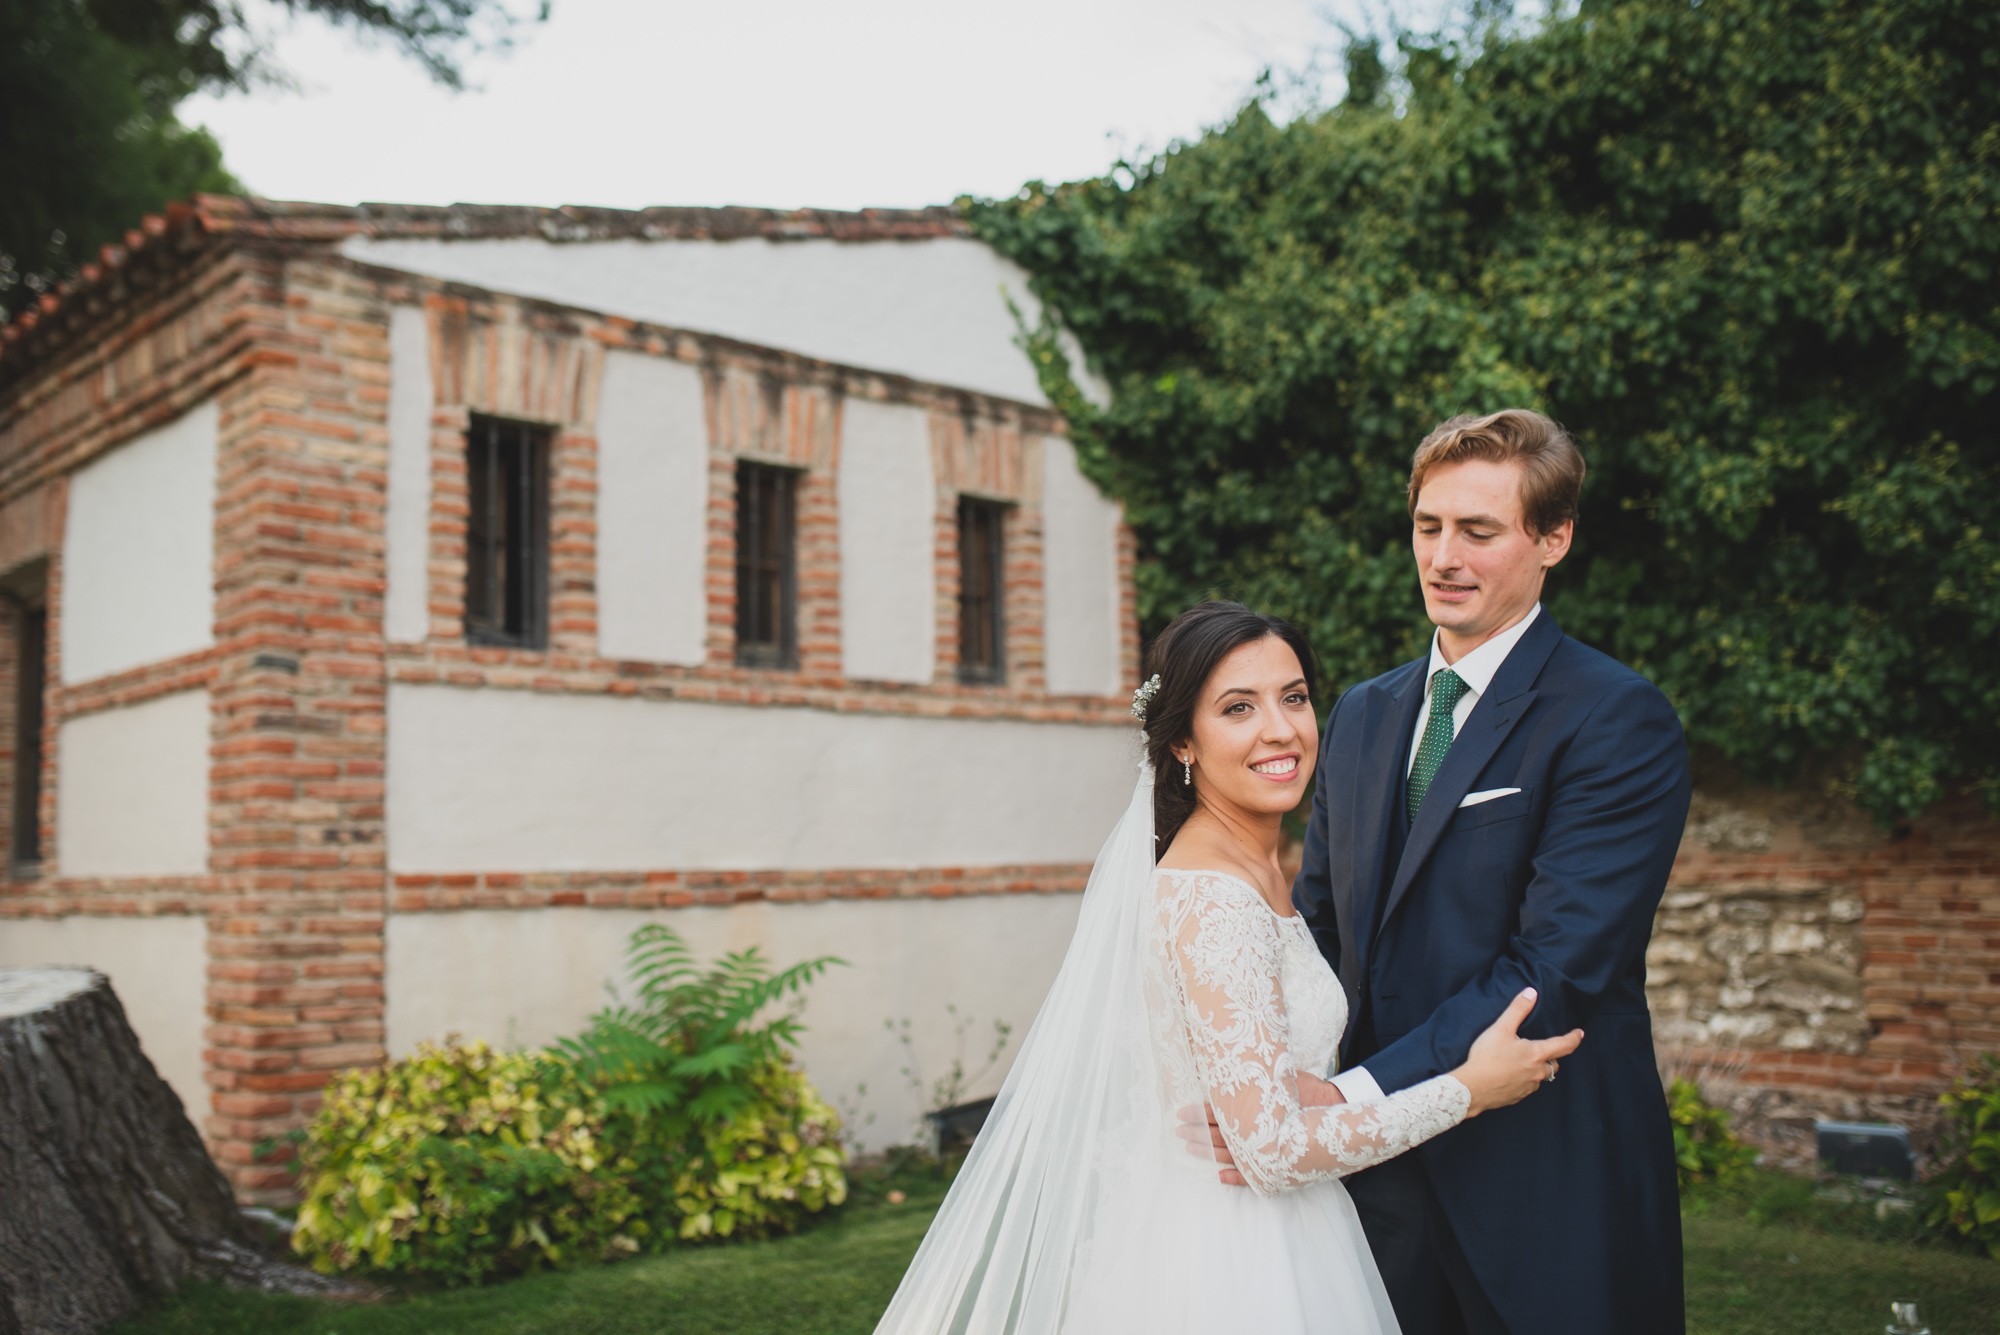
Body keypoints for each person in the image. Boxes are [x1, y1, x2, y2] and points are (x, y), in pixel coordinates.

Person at [875, 600, 1581, 1334]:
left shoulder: (1259, 871)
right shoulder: (1215, 899)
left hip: (1286, 1233)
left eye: (1295, 697)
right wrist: (1467, 1090)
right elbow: (1273, 1151)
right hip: (1232, 1263)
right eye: (1238, 707)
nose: (1280, 729)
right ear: (1183, 739)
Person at [1282, 408, 1694, 1334]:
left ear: (1553, 538)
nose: (1443, 556)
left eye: (1478, 530)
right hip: (1375, 1182)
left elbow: (1556, 970)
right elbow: (1320, 928)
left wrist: (1352, 1093)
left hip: (1542, 1172)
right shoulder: (1361, 710)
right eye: (1429, 527)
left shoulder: (1615, 717)